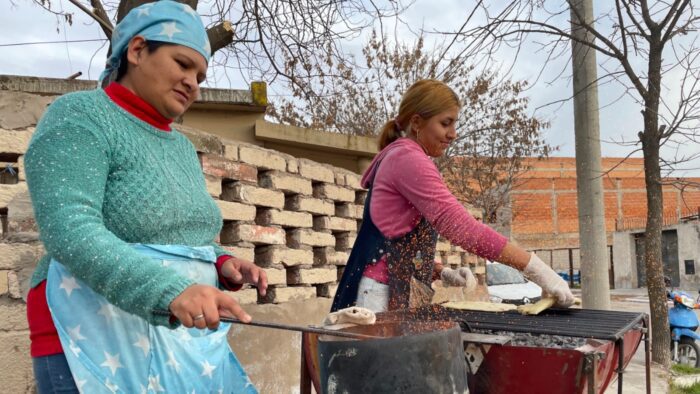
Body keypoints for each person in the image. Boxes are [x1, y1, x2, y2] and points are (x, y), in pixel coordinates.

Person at [24, 2, 266, 393]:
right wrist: (171, 291)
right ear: (136, 51)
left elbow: (182, 231)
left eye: (201, 75)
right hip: (93, 331)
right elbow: (69, 227)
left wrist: (222, 261)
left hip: (180, 341)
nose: (193, 82)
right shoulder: (80, 116)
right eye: (183, 64)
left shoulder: (182, 148)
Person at [331, 79, 574, 313]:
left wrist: (441, 271)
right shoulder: (407, 158)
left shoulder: (401, 157)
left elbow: (396, 242)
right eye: (445, 123)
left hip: (386, 289)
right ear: (417, 122)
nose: (453, 134)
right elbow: (461, 227)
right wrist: (539, 271)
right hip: (379, 296)